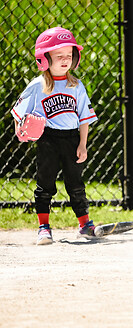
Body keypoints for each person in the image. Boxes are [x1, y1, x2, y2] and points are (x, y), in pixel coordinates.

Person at [11, 27, 98, 245]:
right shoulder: (38, 86)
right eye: (59, 56)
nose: (65, 60)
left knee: (76, 184)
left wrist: (83, 144)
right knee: (45, 184)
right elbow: (18, 112)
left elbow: (84, 119)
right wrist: (19, 131)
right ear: (44, 58)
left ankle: (85, 224)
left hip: (71, 139)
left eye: (69, 55)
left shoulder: (76, 86)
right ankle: (44, 227)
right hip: (47, 139)